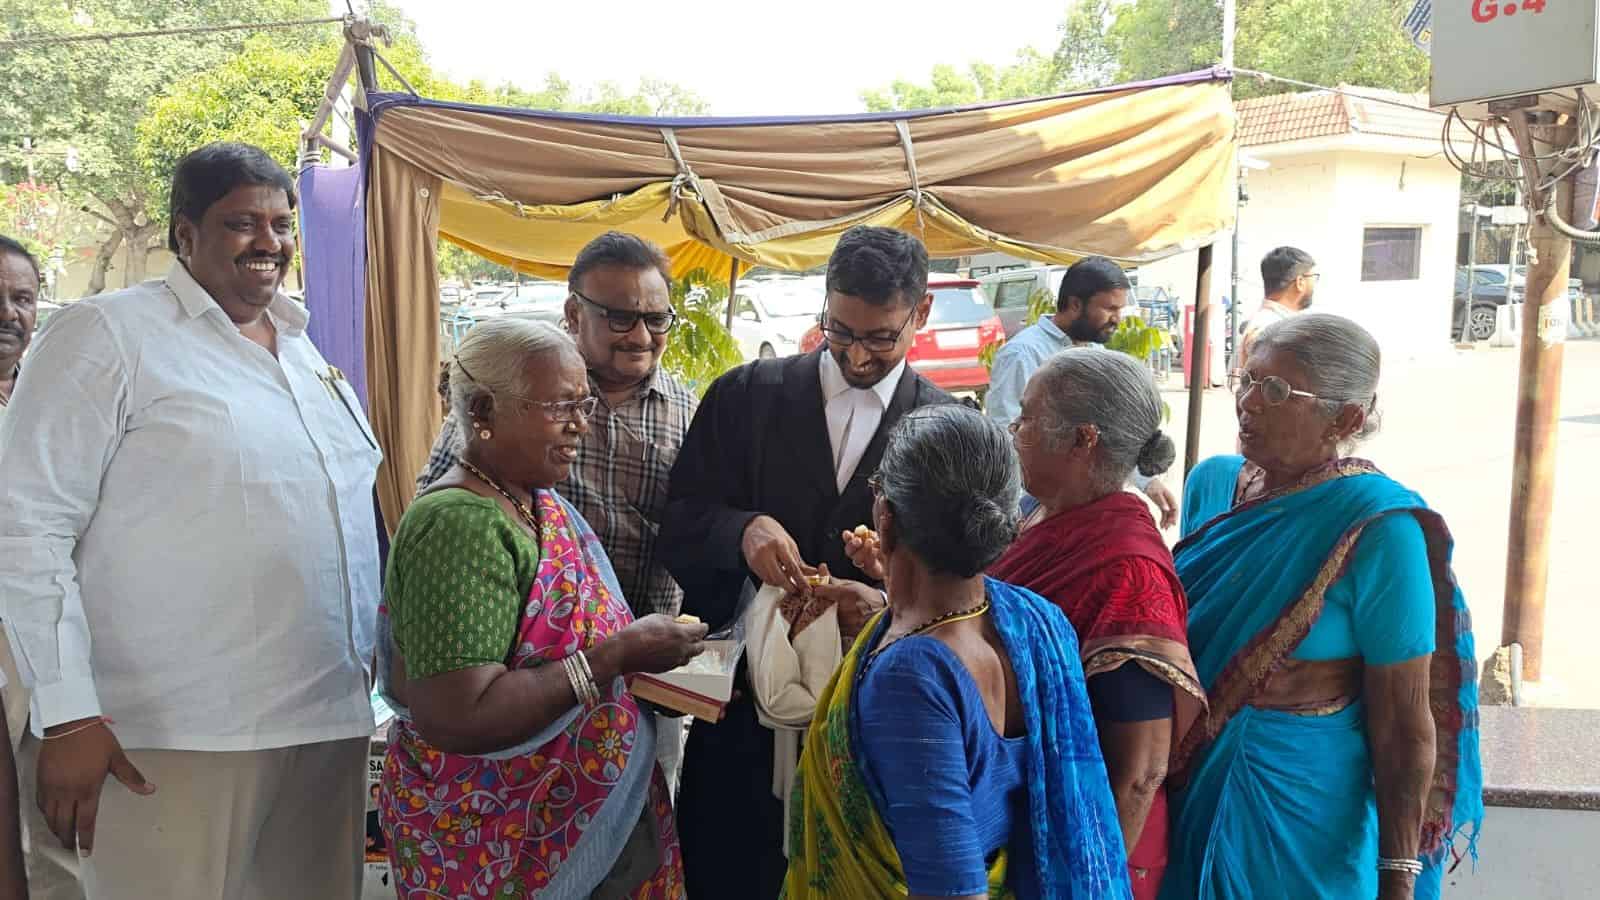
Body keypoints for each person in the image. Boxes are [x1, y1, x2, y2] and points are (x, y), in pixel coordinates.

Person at [0, 142, 384, 898]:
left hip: (325, 721)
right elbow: (25, 528)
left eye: (282, 222)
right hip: (167, 739)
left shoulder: (305, 353)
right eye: (242, 222)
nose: (269, 242)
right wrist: (70, 715)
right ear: (183, 235)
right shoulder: (109, 337)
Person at [659, 225, 952, 899]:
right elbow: (677, 525)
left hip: (868, 727)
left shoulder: (943, 427)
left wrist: (888, 587)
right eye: (839, 330)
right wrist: (741, 530)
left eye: (880, 337)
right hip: (739, 721)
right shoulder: (744, 396)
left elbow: (964, 587)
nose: (856, 354)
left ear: (922, 313)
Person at [377, 317, 706, 898]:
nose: (581, 424)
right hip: (501, 837)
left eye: (583, 404)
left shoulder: (531, 501)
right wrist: (614, 656)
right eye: (561, 407)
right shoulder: (460, 524)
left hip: (582, 812)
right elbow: (457, 715)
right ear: (482, 411)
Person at [1162, 314, 1482, 900]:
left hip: (1302, 805)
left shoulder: (1378, 527)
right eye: (1248, 379)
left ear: (1347, 418)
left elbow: (1405, 722)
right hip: (1184, 785)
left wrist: (1397, 879)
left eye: (1277, 390)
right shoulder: (1211, 484)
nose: (1248, 402)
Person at [783, 404, 1131, 899]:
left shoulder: (913, 678)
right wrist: (886, 599)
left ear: (885, 517)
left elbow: (951, 888)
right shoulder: (1035, 618)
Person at [415, 231, 699, 786]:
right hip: (520, 690)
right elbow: (447, 507)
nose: (641, 335)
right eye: (619, 318)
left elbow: (700, 527)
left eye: (657, 319)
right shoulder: (517, 394)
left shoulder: (686, 408)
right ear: (573, 312)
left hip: (642, 684)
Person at [985, 349, 1205, 899]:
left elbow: (1140, 771)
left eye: (1028, 418)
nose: (1014, 430)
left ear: (1082, 440)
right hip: (1018, 811)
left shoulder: (1128, 569)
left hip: (1092, 847)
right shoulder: (1042, 513)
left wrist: (1089, 881)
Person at [0, 236, 81, 900]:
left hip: (47, 665)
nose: (9, 314)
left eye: (22, 298)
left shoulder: (64, 404)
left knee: (58, 850)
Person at [985, 257, 1179, 527]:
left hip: (1085, 510)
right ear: (1075, 304)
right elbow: (1005, 436)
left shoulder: (1097, 355)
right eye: (1110, 308)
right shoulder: (1023, 353)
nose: (1117, 320)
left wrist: (1147, 482)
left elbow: (1113, 435)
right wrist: (1021, 514)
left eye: (1120, 310)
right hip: (1034, 512)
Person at [1238, 246, 1315, 361]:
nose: (1314, 285)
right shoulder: (1274, 329)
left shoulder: (1267, 322)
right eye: (1314, 277)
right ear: (1300, 282)